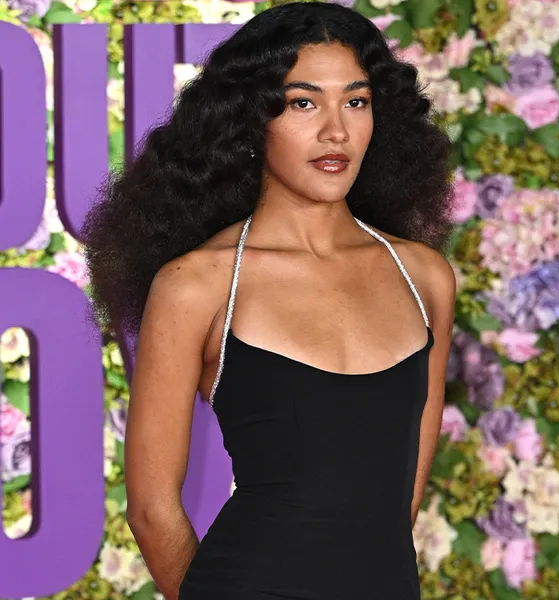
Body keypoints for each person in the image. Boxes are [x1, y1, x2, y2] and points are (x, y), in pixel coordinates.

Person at [81, 1, 457, 598]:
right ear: (252, 119)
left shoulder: (424, 277)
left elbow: (399, 502)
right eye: (303, 102)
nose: (335, 131)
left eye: (356, 102)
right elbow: (152, 510)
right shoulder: (198, 285)